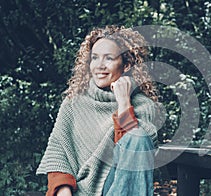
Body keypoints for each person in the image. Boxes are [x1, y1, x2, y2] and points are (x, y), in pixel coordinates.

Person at [36, 25, 159, 196]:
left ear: (126, 65)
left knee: (138, 137)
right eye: (94, 58)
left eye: (109, 58)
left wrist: (124, 102)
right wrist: (63, 191)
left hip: (120, 188)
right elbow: (58, 151)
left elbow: (137, 157)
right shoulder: (74, 102)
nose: (99, 66)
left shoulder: (142, 105)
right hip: (80, 191)